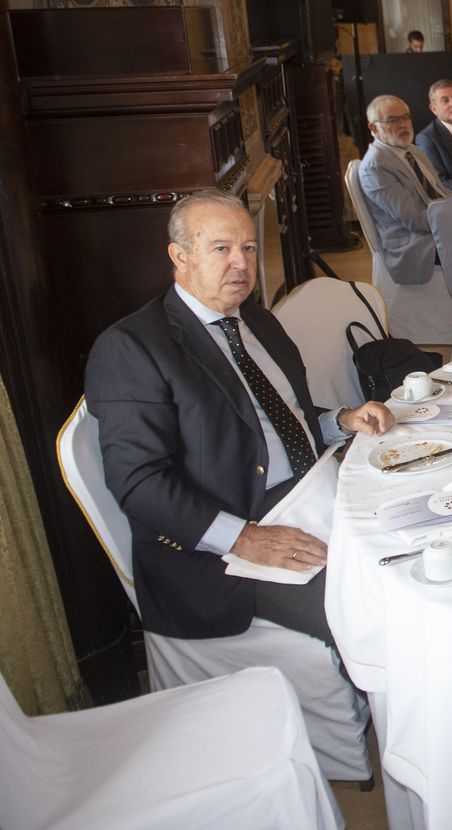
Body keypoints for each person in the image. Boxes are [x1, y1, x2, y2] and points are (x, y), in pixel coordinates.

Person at [83, 189, 395, 649]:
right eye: (221, 248)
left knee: (423, 552)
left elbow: (279, 419)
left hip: (315, 494)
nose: (241, 263)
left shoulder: (256, 321)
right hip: (230, 544)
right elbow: (138, 482)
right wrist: (244, 538)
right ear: (180, 256)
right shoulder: (133, 347)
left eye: (248, 247)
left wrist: (341, 421)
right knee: (375, 615)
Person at [358, 94, 452, 345]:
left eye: (405, 117)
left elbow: (441, 192)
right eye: (392, 120)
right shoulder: (375, 166)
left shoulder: (412, 151)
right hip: (411, 244)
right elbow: (414, 220)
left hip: (434, 229)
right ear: (373, 128)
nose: (403, 124)